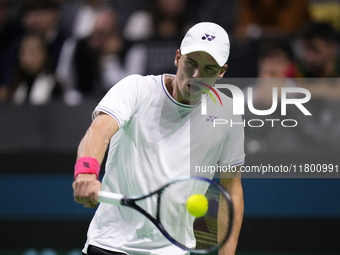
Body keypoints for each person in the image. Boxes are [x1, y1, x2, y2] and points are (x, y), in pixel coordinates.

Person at [72, 22, 245, 255]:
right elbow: (99, 130)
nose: (196, 76)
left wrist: (228, 250)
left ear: (222, 72)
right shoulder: (136, 89)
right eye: (191, 63)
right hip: (111, 246)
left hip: (174, 251)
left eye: (209, 69)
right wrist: (86, 170)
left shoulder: (227, 114)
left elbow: (231, 189)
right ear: (177, 58)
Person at [56, 7, 146, 105]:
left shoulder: (134, 50)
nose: (96, 41)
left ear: (115, 34)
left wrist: (109, 58)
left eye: (103, 35)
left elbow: (127, 89)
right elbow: (63, 77)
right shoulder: (75, 46)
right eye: (95, 33)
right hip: (81, 105)